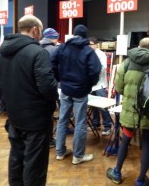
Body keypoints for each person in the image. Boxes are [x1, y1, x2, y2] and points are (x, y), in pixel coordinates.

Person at [0, 14, 59, 186]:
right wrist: (54, 99)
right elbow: (47, 87)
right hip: (36, 119)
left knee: (16, 157)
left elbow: (2, 81)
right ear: (35, 30)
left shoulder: (2, 53)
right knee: (35, 164)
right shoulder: (38, 52)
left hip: (14, 115)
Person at [107, 37, 149, 186]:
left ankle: (117, 173)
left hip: (130, 111)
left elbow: (119, 87)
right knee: (147, 144)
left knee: (125, 140)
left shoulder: (126, 63)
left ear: (138, 47)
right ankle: (141, 179)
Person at [51, 24, 101, 165]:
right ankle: (78, 156)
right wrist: (90, 85)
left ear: (73, 34)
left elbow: (51, 63)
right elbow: (95, 71)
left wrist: (59, 78)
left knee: (62, 120)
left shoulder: (62, 47)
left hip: (65, 89)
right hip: (81, 91)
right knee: (80, 123)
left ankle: (60, 153)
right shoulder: (88, 51)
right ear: (85, 36)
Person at [40, 28, 60, 148]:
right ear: (53, 38)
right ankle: (49, 140)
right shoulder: (54, 50)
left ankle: (44, 139)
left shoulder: (36, 47)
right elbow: (59, 69)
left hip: (37, 88)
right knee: (49, 114)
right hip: (52, 85)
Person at [89, 37, 112, 136]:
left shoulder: (101, 54)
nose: (89, 46)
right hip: (91, 84)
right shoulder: (88, 54)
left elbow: (103, 69)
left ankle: (107, 126)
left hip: (100, 84)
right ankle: (95, 123)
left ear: (96, 44)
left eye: (90, 44)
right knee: (93, 105)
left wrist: (91, 70)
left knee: (103, 106)